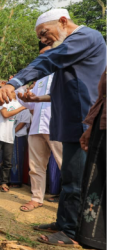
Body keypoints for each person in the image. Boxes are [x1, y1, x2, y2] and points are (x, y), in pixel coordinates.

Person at [0, 9, 106, 247]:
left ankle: (71, 231)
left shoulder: (86, 37)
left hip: (82, 122)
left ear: (63, 22)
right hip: (69, 121)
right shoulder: (72, 48)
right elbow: (68, 88)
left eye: (44, 33)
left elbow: (48, 59)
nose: (43, 40)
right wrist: (38, 100)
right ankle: (63, 222)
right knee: (69, 178)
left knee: (76, 180)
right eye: (40, 37)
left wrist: (14, 82)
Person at [17, 43, 63, 212]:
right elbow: (30, 104)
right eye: (41, 54)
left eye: (47, 53)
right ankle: (37, 198)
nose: (44, 57)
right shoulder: (40, 78)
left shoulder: (64, 73)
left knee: (66, 166)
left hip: (57, 126)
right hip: (36, 127)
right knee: (35, 167)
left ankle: (75, 203)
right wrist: (24, 94)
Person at [77, 67, 106, 250]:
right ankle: (95, 239)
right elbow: (102, 98)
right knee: (97, 181)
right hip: (102, 126)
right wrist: (90, 128)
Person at [9, 107, 31, 188]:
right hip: (8, 136)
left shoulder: (25, 108)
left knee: (16, 159)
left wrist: (12, 132)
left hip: (19, 136)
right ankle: (8, 179)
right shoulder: (11, 106)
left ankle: (16, 180)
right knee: (9, 158)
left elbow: (23, 123)